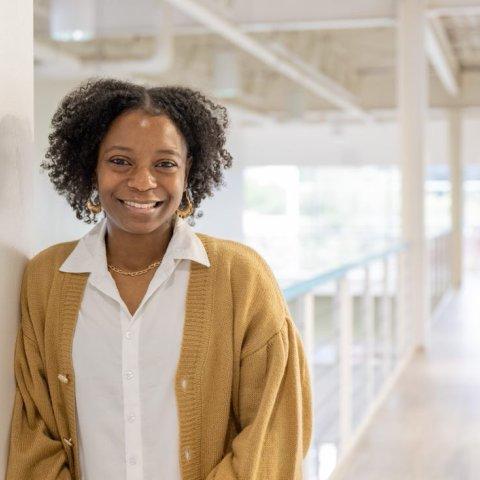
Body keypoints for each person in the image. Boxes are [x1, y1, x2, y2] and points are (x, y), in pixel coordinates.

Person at [5, 77, 312, 480]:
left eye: (165, 164)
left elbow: (274, 429)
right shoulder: (46, 278)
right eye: (120, 161)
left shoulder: (242, 277)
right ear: (90, 168)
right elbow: (36, 428)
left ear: (189, 174)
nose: (142, 181)